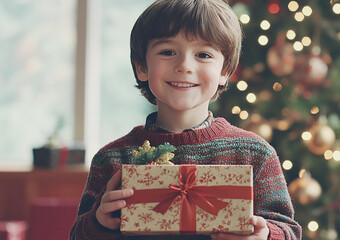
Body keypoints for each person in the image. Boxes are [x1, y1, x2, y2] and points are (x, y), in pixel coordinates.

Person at [70, 0, 302, 239]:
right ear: (141, 67)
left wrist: (266, 235)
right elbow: (78, 235)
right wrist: (98, 222)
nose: (184, 66)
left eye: (203, 54)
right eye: (167, 52)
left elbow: (289, 230)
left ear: (224, 72)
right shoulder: (112, 159)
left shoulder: (256, 154)